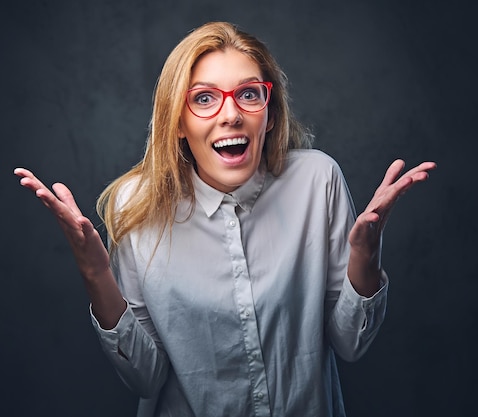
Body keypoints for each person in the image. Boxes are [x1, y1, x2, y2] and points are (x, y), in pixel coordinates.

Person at [15, 21, 436, 417]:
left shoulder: (316, 179)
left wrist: (365, 255)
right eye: (203, 98)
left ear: (268, 114)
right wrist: (95, 273)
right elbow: (145, 377)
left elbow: (350, 344)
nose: (231, 114)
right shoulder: (136, 203)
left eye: (249, 94)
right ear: (177, 122)